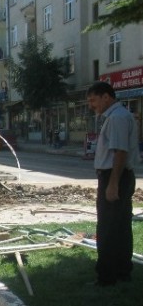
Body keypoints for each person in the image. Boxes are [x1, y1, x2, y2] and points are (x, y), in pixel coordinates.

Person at [86, 81, 138, 287]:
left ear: (106, 97)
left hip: (114, 176)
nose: (91, 105)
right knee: (121, 226)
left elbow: (120, 152)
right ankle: (123, 271)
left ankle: (106, 277)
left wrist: (113, 184)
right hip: (120, 176)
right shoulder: (120, 116)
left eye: (93, 100)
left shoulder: (116, 118)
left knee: (107, 228)